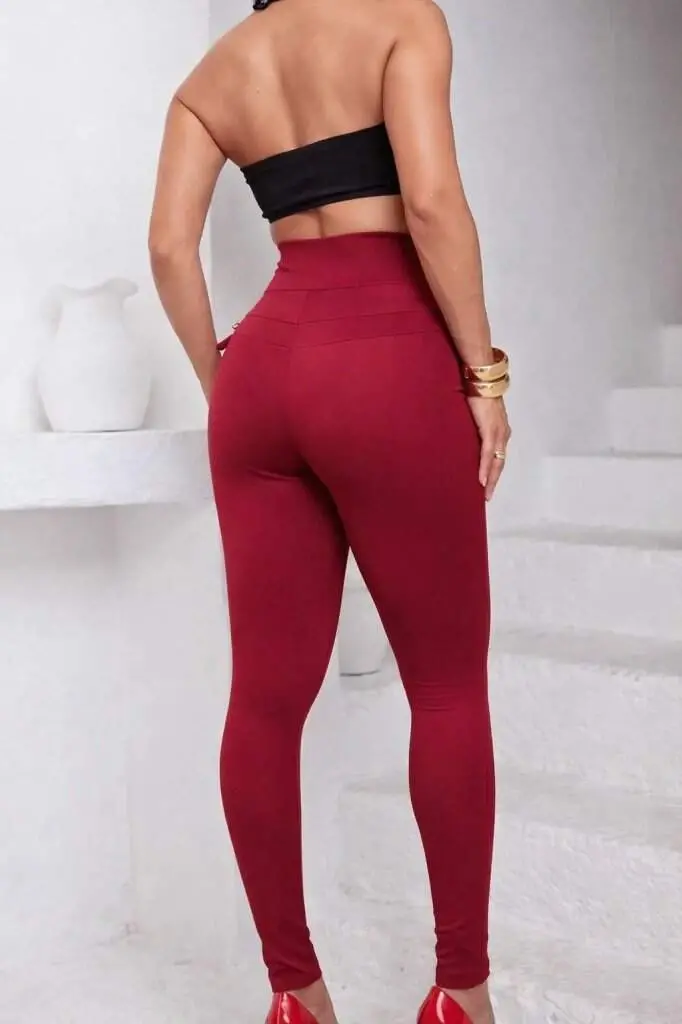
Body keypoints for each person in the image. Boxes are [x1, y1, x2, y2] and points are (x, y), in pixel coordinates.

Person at [149, 0, 511, 1022]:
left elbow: (169, 248)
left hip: (264, 370)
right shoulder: (401, 19)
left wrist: (222, 382)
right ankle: (460, 991)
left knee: (264, 703)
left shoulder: (214, 74)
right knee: (446, 689)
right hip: (387, 359)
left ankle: (294, 995)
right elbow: (430, 204)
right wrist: (484, 374)